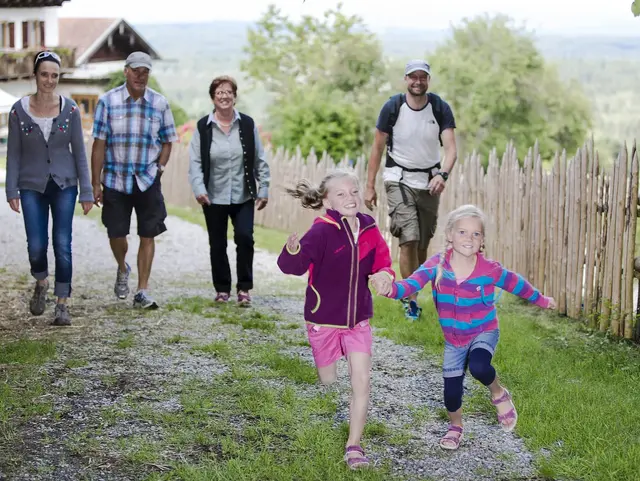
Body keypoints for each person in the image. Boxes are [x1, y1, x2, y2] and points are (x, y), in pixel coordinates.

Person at [372, 204, 556, 450]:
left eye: (476, 234)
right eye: (462, 232)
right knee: (451, 393)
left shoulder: (489, 270)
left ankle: (498, 393)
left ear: (482, 240)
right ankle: (455, 426)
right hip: (454, 339)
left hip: (484, 330)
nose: (469, 238)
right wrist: (391, 289)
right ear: (449, 234)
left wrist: (541, 300)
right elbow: (411, 284)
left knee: (480, 366)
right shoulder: (437, 265)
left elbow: (516, 283)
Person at [277, 170, 395, 469]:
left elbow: (382, 260)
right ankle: (328, 373)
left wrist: (383, 275)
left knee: (362, 381)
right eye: (341, 194)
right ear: (327, 200)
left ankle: (354, 445)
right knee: (328, 380)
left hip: (358, 320)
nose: (350, 198)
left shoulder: (369, 228)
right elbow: (295, 265)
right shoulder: (322, 230)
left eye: (354, 192)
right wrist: (292, 251)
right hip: (324, 320)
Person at [5, 50, 93, 326]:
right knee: (36, 245)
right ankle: (41, 280)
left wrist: (87, 191)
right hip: (31, 185)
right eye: (45, 74)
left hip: (64, 183)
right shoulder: (19, 110)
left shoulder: (71, 110)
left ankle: (62, 303)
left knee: (62, 244)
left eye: (55, 75)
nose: (49, 80)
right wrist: (11, 190)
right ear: (35, 75)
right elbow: (14, 154)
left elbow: (79, 152)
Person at [365, 59, 458, 321]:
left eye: (423, 77)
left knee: (422, 245)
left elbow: (451, 148)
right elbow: (377, 148)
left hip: (429, 182)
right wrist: (370, 185)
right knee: (409, 237)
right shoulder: (392, 107)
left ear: (428, 80)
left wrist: (443, 174)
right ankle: (411, 300)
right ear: (405, 79)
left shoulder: (439, 108)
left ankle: (412, 288)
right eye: (412, 77)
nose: (418, 81)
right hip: (398, 178)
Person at [91, 51, 178, 309]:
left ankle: (142, 291)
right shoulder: (107, 102)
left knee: (148, 233)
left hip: (147, 179)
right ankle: (122, 266)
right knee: (116, 234)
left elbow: (167, 140)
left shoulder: (159, 103)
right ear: (126, 71)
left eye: (146, 72)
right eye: (136, 71)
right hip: (116, 181)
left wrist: (159, 168)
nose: (141, 76)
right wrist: (96, 183)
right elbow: (98, 145)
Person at [188, 75, 270, 307]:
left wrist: (263, 188)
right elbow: (194, 161)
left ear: (235, 96)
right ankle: (222, 289)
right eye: (219, 92)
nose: (224, 96)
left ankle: (244, 288)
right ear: (213, 98)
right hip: (213, 195)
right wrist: (198, 188)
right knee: (218, 243)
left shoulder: (247, 124)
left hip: (243, 194)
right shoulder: (203, 127)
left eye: (228, 92)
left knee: (245, 238)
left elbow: (259, 159)